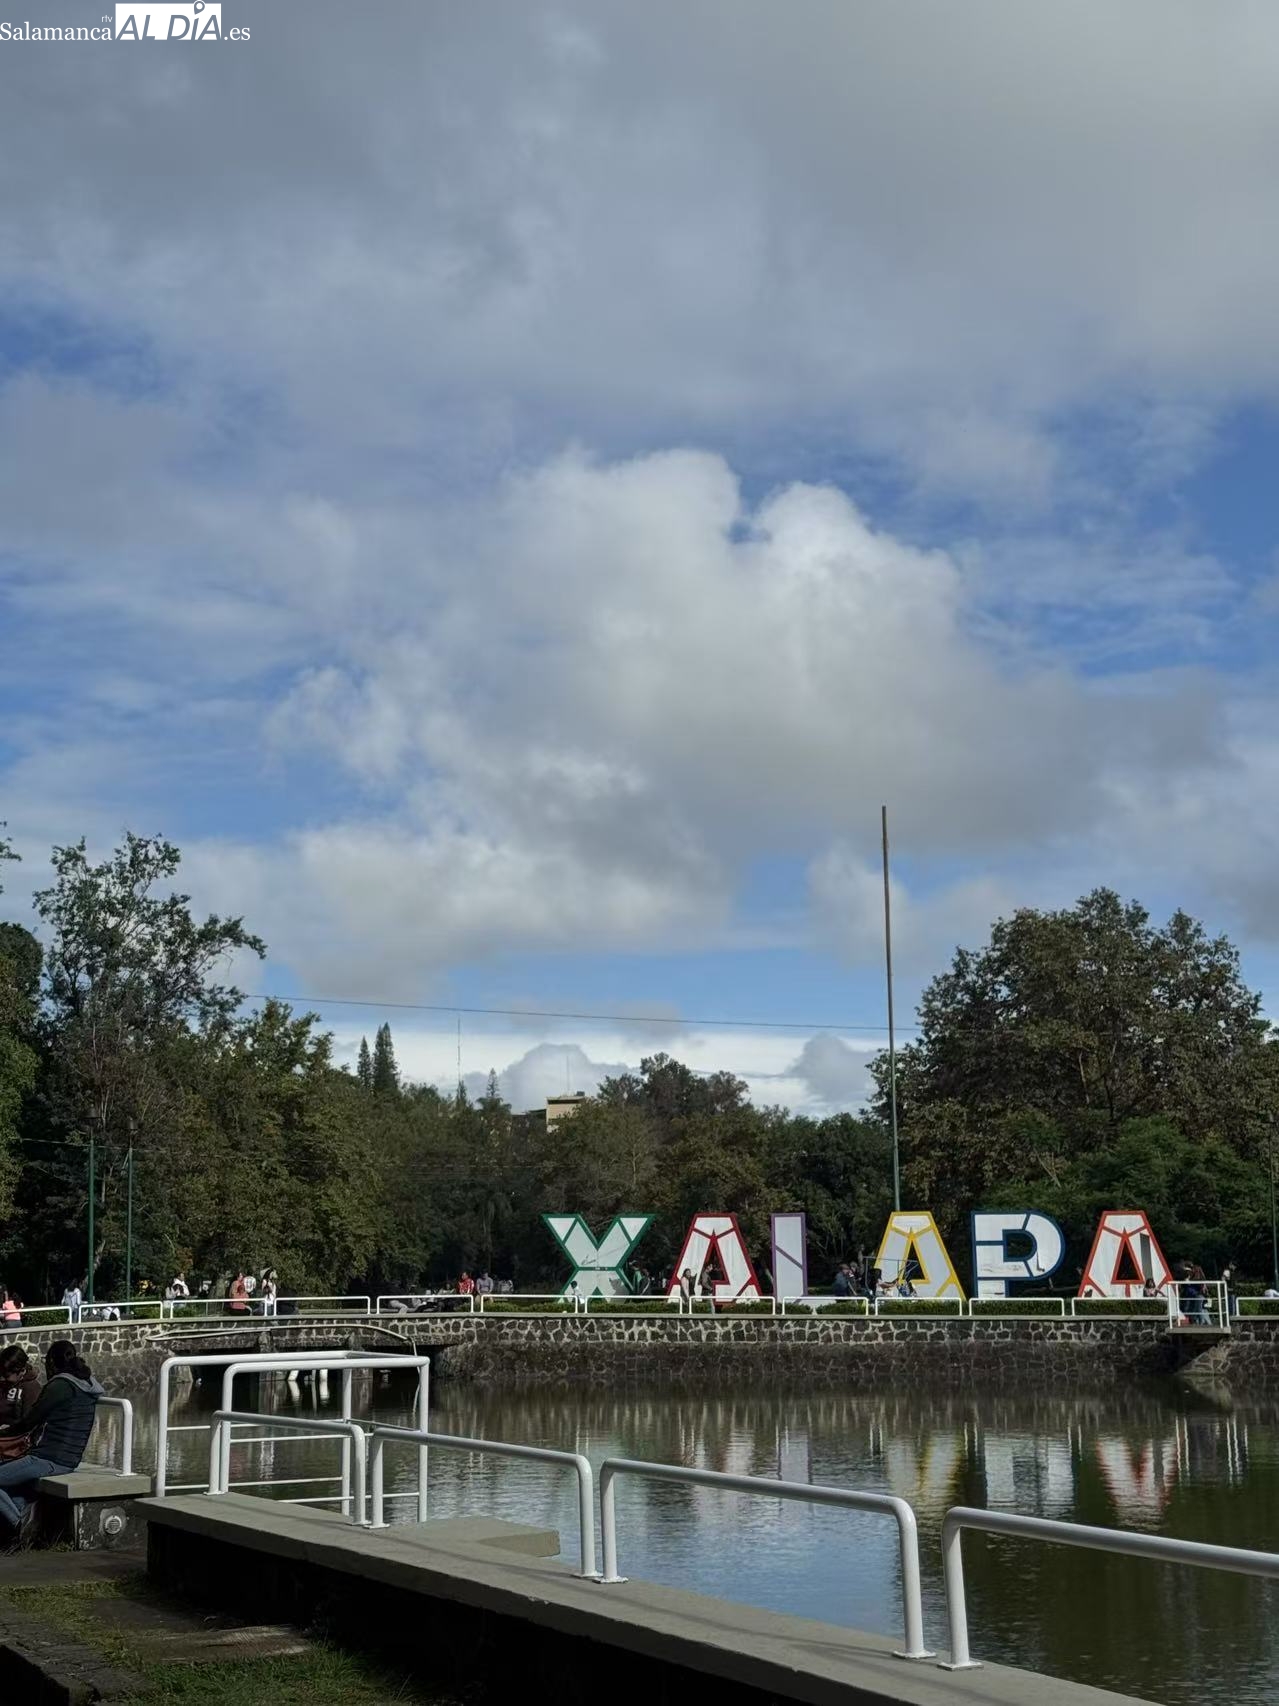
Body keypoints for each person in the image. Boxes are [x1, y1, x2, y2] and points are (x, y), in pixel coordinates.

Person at [0, 1342, 103, 1536]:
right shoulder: (84, 1385)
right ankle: (18, 1522)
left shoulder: (60, 1386)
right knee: (17, 1488)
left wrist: (3, 1433)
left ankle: (21, 1527)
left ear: (52, 1364)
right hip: (66, 1459)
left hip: (49, 1458)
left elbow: (29, 1422)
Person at [0, 1346, 40, 1464]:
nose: (2, 1378)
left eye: (6, 1376)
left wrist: (8, 1429)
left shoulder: (31, 1388)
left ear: (21, 1371)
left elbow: (30, 1422)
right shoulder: (2, 1384)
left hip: (14, 1441)